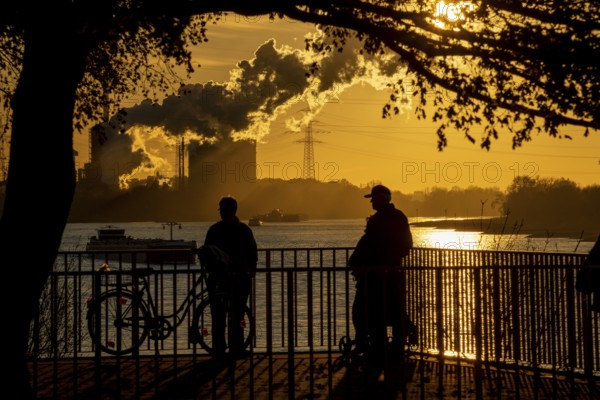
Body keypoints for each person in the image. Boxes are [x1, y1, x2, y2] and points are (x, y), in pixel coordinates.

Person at [348, 184, 413, 368]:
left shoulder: (392, 218)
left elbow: (403, 244)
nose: (371, 202)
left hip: (386, 274)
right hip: (379, 274)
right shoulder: (384, 219)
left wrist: (380, 261)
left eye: (374, 198)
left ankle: (382, 348)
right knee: (381, 310)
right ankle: (381, 347)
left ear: (384, 198)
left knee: (378, 310)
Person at [202, 196, 258, 358]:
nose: (222, 214)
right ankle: (227, 347)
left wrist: (249, 270)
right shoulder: (241, 230)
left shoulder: (236, 230)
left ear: (233, 211)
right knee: (224, 316)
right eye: (221, 211)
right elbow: (252, 254)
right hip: (228, 278)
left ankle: (230, 347)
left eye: (225, 211)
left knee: (234, 315)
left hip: (235, 278)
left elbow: (252, 254)